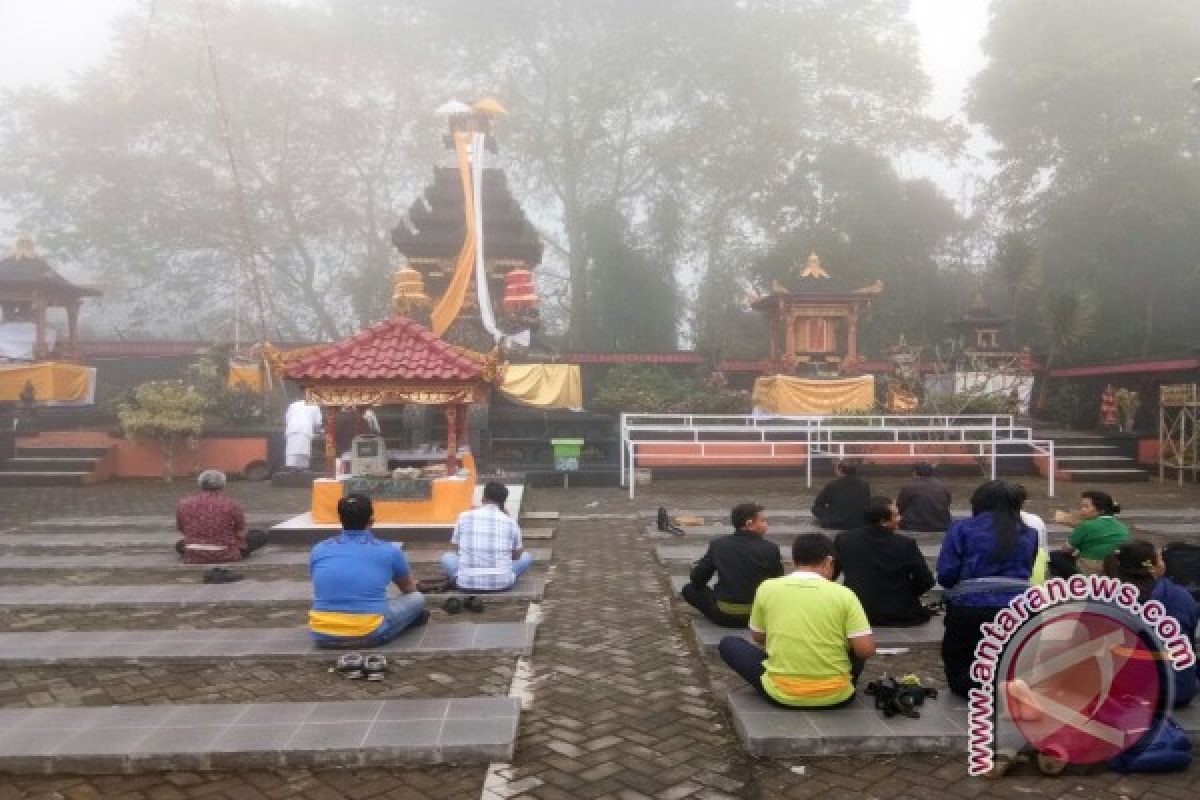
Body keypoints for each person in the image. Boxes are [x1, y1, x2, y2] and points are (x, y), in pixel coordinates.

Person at [718, 533, 876, 708]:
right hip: (836, 696)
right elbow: (865, 650)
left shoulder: (767, 587)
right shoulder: (845, 594)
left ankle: (786, 677)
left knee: (729, 644)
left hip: (781, 694)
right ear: (829, 562)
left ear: (794, 561)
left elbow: (759, 637)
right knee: (857, 638)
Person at [937, 480, 1039, 697]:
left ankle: (975, 687)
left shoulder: (962, 529)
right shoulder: (1029, 533)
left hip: (970, 608)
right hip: (1019, 608)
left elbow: (947, 575)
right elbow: (1027, 569)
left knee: (962, 662)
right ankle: (1007, 686)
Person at [308, 494, 428, 647]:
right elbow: (408, 589)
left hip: (321, 633)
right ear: (371, 520)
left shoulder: (319, 549)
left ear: (341, 519)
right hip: (369, 631)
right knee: (417, 598)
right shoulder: (389, 550)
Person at [1104, 539, 1198, 707]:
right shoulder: (1180, 596)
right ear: (1154, 566)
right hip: (1177, 690)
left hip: (1125, 691)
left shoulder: (1106, 599)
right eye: (1160, 558)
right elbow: (1188, 641)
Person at [835, 497, 935, 626]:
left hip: (857, 610)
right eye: (896, 515)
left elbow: (835, 572)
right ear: (883, 521)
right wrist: (907, 595)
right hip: (898, 612)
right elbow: (926, 580)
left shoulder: (844, 540)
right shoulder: (905, 544)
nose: (900, 518)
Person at [682, 502, 784, 628]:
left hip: (725, 615)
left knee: (689, 589)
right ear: (749, 524)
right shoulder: (771, 548)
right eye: (763, 521)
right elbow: (778, 583)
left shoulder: (719, 545)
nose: (766, 525)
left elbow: (698, 579)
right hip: (758, 617)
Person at [441, 481, 533, 591]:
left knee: (447, 557)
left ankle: (460, 576)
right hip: (502, 584)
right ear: (503, 501)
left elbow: (456, 548)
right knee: (526, 557)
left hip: (466, 583)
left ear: (483, 498)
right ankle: (502, 575)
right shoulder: (511, 522)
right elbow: (517, 555)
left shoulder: (464, 517)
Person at [174, 470, 267, 563]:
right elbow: (239, 529)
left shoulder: (183, 504)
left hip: (194, 554)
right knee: (259, 535)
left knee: (180, 544)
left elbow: (181, 528)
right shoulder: (232, 504)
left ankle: (198, 550)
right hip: (226, 554)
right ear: (223, 485)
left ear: (200, 484)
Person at [1051, 490, 1130, 576]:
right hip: (1115, 568)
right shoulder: (1122, 526)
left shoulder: (1086, 525)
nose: (1082, 510)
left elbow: (1066, 550)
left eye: (1086, 507)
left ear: (1101, 510)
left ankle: (1070, 585)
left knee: (1054, 556)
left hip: (1091, 569)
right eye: (1081, 506)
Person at [811, 462, 871, 530]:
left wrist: (826, 515)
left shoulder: (833, 485)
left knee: (815, 508)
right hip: (859, 523)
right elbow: (867, 503)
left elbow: (818, 503)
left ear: (840, 470)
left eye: (835, 469)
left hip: (836, 523)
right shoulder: (864, 485)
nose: (834, 471)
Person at [895, 462, 952, 532]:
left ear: (915, 473)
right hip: (942, 525)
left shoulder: (908, 487)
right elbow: (947, 503)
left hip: (914, 526)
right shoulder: (942, 487)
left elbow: (900, 508)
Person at [284, 399, 323, 470]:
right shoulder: (315, 406)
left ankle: (291, 470)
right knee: (303, 453)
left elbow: (287, 418)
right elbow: (318, 423)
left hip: (291, 429)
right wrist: (319, 431)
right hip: (305, 430)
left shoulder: (293, 404)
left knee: (292, 453)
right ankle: (301, 471)